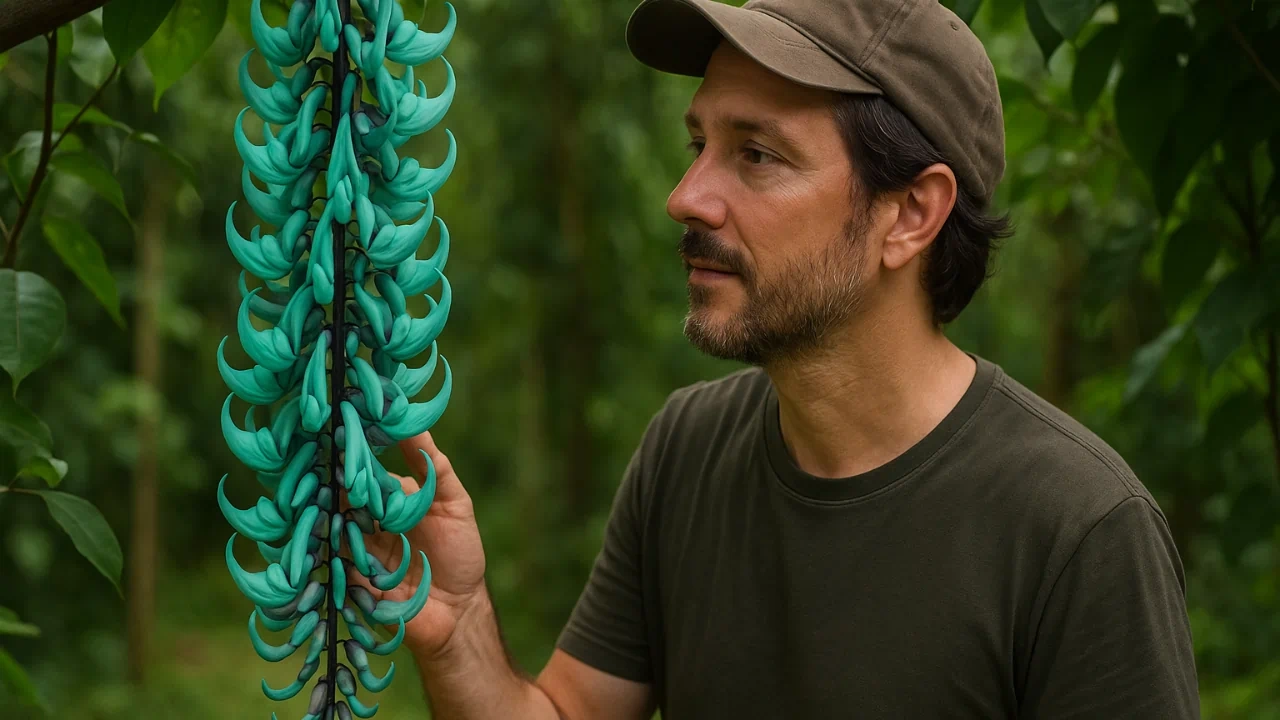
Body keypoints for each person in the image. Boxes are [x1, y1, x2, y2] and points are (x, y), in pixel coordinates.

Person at [355, 0, 1201, 717]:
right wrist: (460, 621)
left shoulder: (1077, 530)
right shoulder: (687, 451)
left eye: (757, 155)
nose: (684, 197)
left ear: (910, 215)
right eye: (699, 145)